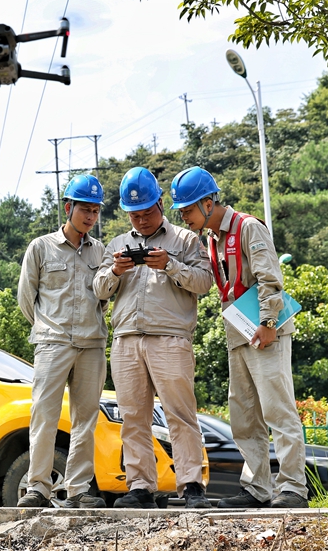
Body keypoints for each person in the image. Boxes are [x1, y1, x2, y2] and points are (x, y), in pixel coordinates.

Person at [169, 166, 308, 509]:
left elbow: (269, 278)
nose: (184, 217)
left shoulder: (247, 227)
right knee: (244, 416)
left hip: (264, 329)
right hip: (238, 333)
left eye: (187, 209)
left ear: (206, 203)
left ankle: (293, 488)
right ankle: (257, 487)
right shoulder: (212, 239)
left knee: (278, 409)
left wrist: (268, 322)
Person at [92, 167, 213, 509]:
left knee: (180, 413)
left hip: (171, 338)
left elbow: (204, 283)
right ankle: (140, 486)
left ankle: (191, 485)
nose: (142, 220)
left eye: (147, 212)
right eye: (135, 214)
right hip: (127, 339)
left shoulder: (186, 240)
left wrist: (170, 266)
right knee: (133, 417)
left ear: (160, 203)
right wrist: (115, 270)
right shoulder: (117, 245)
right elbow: (98, 290)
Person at [16, 174, 109, 509]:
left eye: (96, 211)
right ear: (68, 207)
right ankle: (38, 487)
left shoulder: (100, 251)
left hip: (92, 345)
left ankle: (79, 489)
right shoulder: (40, 247)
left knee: (86, 418)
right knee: (44, 414)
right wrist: (48, 328)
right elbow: (27, 299)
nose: (90, 217)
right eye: (85, 209)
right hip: (52, 344)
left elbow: (104, 297)